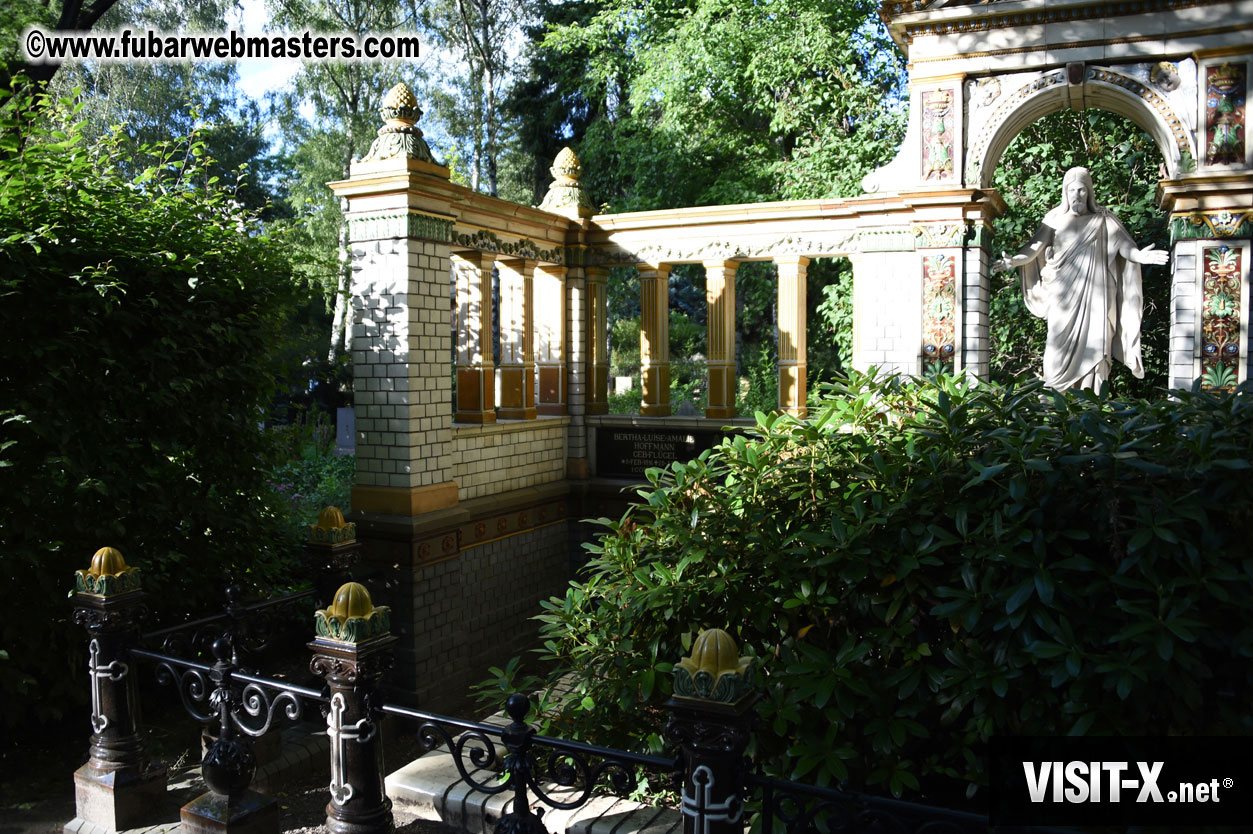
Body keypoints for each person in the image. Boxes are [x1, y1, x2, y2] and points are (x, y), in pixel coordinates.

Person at [993, 167, 1169, 393]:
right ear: (1065, 192)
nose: (1076, 195)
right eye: (1072, 190)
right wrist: (1013, 261)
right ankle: (1056, 397)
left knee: (1095, 348)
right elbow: (1034, 247)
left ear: (1089, 193)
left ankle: (1092, 400)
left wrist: (1140, 256)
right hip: (1063, 294)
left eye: (1082, 190)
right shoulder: (1054, 219)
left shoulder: (1104, 219)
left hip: (1097, 296)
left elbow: (1125, 246)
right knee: (1055, 347)